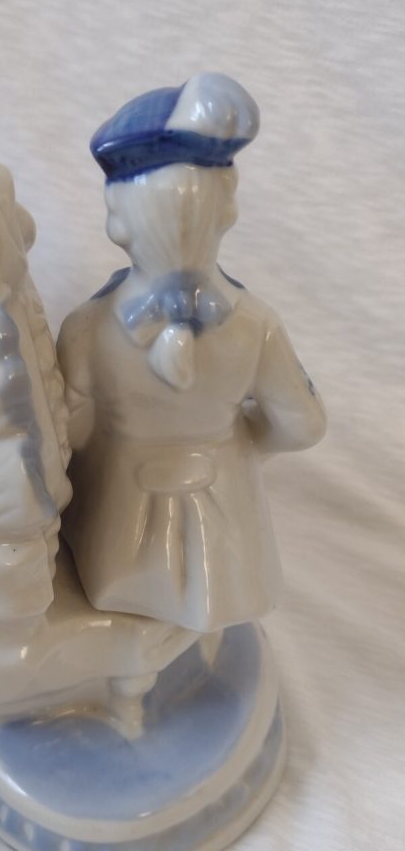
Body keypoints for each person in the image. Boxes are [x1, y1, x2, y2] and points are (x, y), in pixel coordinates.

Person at [57, 73, 326, 633]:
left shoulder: (85, 328)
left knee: (118, 604)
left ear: (117, 222)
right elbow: (303, 425)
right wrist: (239, 445)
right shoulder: (257, 326)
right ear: (227, 212)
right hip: (227, 533)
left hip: (116, 528)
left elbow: (70, 434)